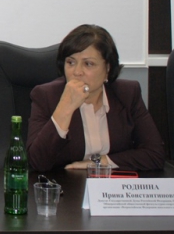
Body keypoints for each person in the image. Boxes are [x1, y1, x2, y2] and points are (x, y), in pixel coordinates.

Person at [27, 24, 166, 172]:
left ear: (107, 68)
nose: (77, 72)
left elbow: (155, 154)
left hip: (112, 185)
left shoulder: (128, 94)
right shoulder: (46, 96)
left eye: (88, 64)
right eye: (71, 62)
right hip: (66, 184)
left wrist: (99, 162)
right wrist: (65, 107)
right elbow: (37, 162)